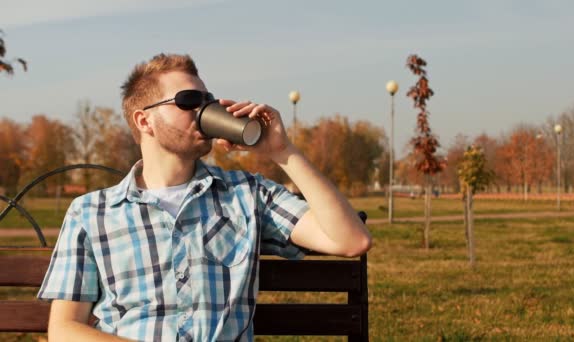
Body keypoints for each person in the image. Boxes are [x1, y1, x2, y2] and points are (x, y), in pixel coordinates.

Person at [37, 53, 372, 341]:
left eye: (207, 100)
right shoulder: (92, 212)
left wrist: (282, 151)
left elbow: (351, 240)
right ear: (145, 121)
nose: (203, 111)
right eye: (188, 102)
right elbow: (64, 329)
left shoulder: (247, 194)